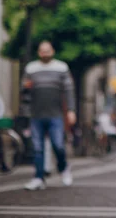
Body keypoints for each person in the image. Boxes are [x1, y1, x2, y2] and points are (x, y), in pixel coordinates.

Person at [22, 41, 76, 191]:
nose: (45, 53)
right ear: (39, 53)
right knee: (37, 148)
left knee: (58, 145)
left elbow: (69, 90)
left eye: (47, 50)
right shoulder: (31, 68)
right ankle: (38, 178)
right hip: (36, 115)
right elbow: (24, 92)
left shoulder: (61, 67)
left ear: (52, 51)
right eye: (42, 51)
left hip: (55, 114)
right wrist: (26, 108)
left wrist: (71, 110)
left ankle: (64, 168)